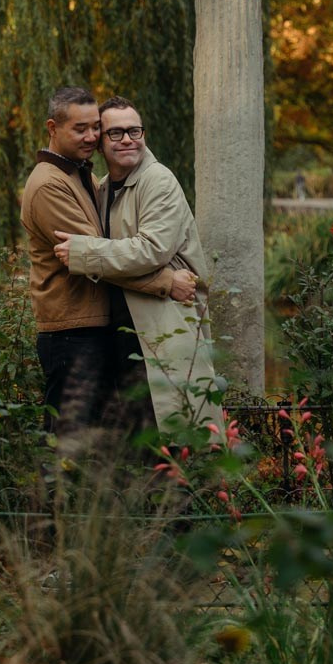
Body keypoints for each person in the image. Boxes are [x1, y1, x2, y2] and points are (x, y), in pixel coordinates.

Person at [20, 85, 197, 451]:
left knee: (119, 438)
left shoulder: (105, 180)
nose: (92, 136)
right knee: (70, 442)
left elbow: (112, 252)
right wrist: (166, 282)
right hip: (71, 331)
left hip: (104, 328)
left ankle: (149, 504)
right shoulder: (52, 184)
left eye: (95, 128)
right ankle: (59, 508)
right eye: (86, 129)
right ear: (53, 128)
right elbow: (95, 255)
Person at [53, 96, 219, 433]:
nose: (128, 139)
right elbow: (116, 267)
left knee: (175, 436)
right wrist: (164, 279)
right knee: (134, 444)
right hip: (123, 332)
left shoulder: (158, 180)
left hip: (163, 325)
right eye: (115, 133)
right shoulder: (101, 190)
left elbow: (150, 251)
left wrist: (85, 254)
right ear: (100, 143)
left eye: (134, 130)